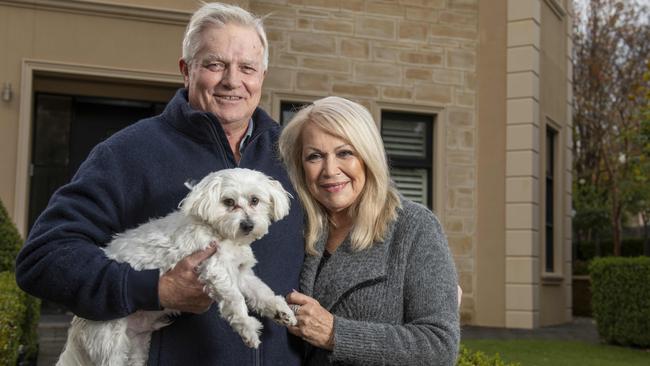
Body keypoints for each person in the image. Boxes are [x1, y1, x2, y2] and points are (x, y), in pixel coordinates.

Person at [15, 3, 304, 365]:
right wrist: (154, 289)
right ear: (186, 70)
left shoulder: (292, 155)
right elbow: (42, 259)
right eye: (215, 64)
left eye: (247, 67)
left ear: (262, 74)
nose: (233, 80)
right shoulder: (128, 152)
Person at [278, 96, 460, 365]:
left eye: (344, 153)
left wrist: (335, 333)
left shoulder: (413, 227)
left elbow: (439, 347)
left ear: (367, 156)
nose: (330, 170)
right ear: (301, 167)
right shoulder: (294, 229)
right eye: (315, 156)